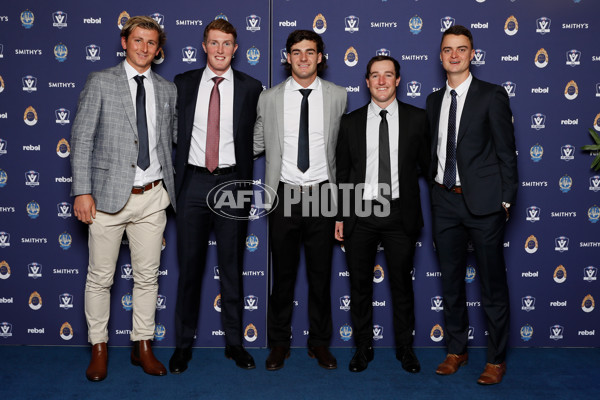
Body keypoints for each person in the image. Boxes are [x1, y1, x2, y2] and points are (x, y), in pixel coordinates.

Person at [70, 16, 176, 381]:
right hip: (107, 199)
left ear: (158, 48)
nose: (144, 48)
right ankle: (98, 347)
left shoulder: (166, 89)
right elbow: (82, 139)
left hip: (153, 197)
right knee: (100, 277)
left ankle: (142, 345)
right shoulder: (101, 81)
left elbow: (169, 138)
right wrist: (82, 190)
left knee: (147, 278)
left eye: (151, 42)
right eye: (138, 40)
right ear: (124, 42)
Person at [169, 19, 263, 373]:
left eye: (227, 43)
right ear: (204, 46)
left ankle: (235, 344)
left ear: (235, 48)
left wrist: (238, 160)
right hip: (192, 182)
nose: (220, 49)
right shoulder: (183, 83)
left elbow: (259, 133)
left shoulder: (252, 87)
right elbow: (172, 130)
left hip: (232, 185)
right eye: (214, 42)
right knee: (189, 269)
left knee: (233, 267)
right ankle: (182, 346)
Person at [426, 25, 518, 385]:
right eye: (448, 49)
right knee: (451, 282)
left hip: (483, 205)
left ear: (472, 54)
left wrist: (506, 198)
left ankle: (495, 359)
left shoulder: (492, 95)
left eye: (461, 49)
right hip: (444, 201)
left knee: (492, 284)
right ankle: (456, 350)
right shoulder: (434, 100)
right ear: (440, 56)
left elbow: (506, 152)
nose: (454, 55)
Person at [253, 30, 347, 370]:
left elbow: (345, 150)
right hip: (285, 194)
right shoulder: (271, 98)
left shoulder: (339, 96)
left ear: (320, 57)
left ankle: (319, 343)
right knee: (284, 278)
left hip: (323, 194)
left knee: (321, 277)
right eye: (296, 52)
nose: (303, 58)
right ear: (287, 57)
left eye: (310, 52)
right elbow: (256, 142)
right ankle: (279, 344)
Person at [335, 56, 429, 373]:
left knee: (402, 285)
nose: (382, 81)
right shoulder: (350, 122)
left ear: (398, 80)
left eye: (388, 75)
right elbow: (344, 173)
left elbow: (428, 167)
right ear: (367, 81)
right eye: (375, 75)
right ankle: (363, 349)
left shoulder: (418, 119)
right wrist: (339, 216)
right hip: (360, 213)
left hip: (400, 213)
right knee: (360, 287)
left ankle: (406, 350)